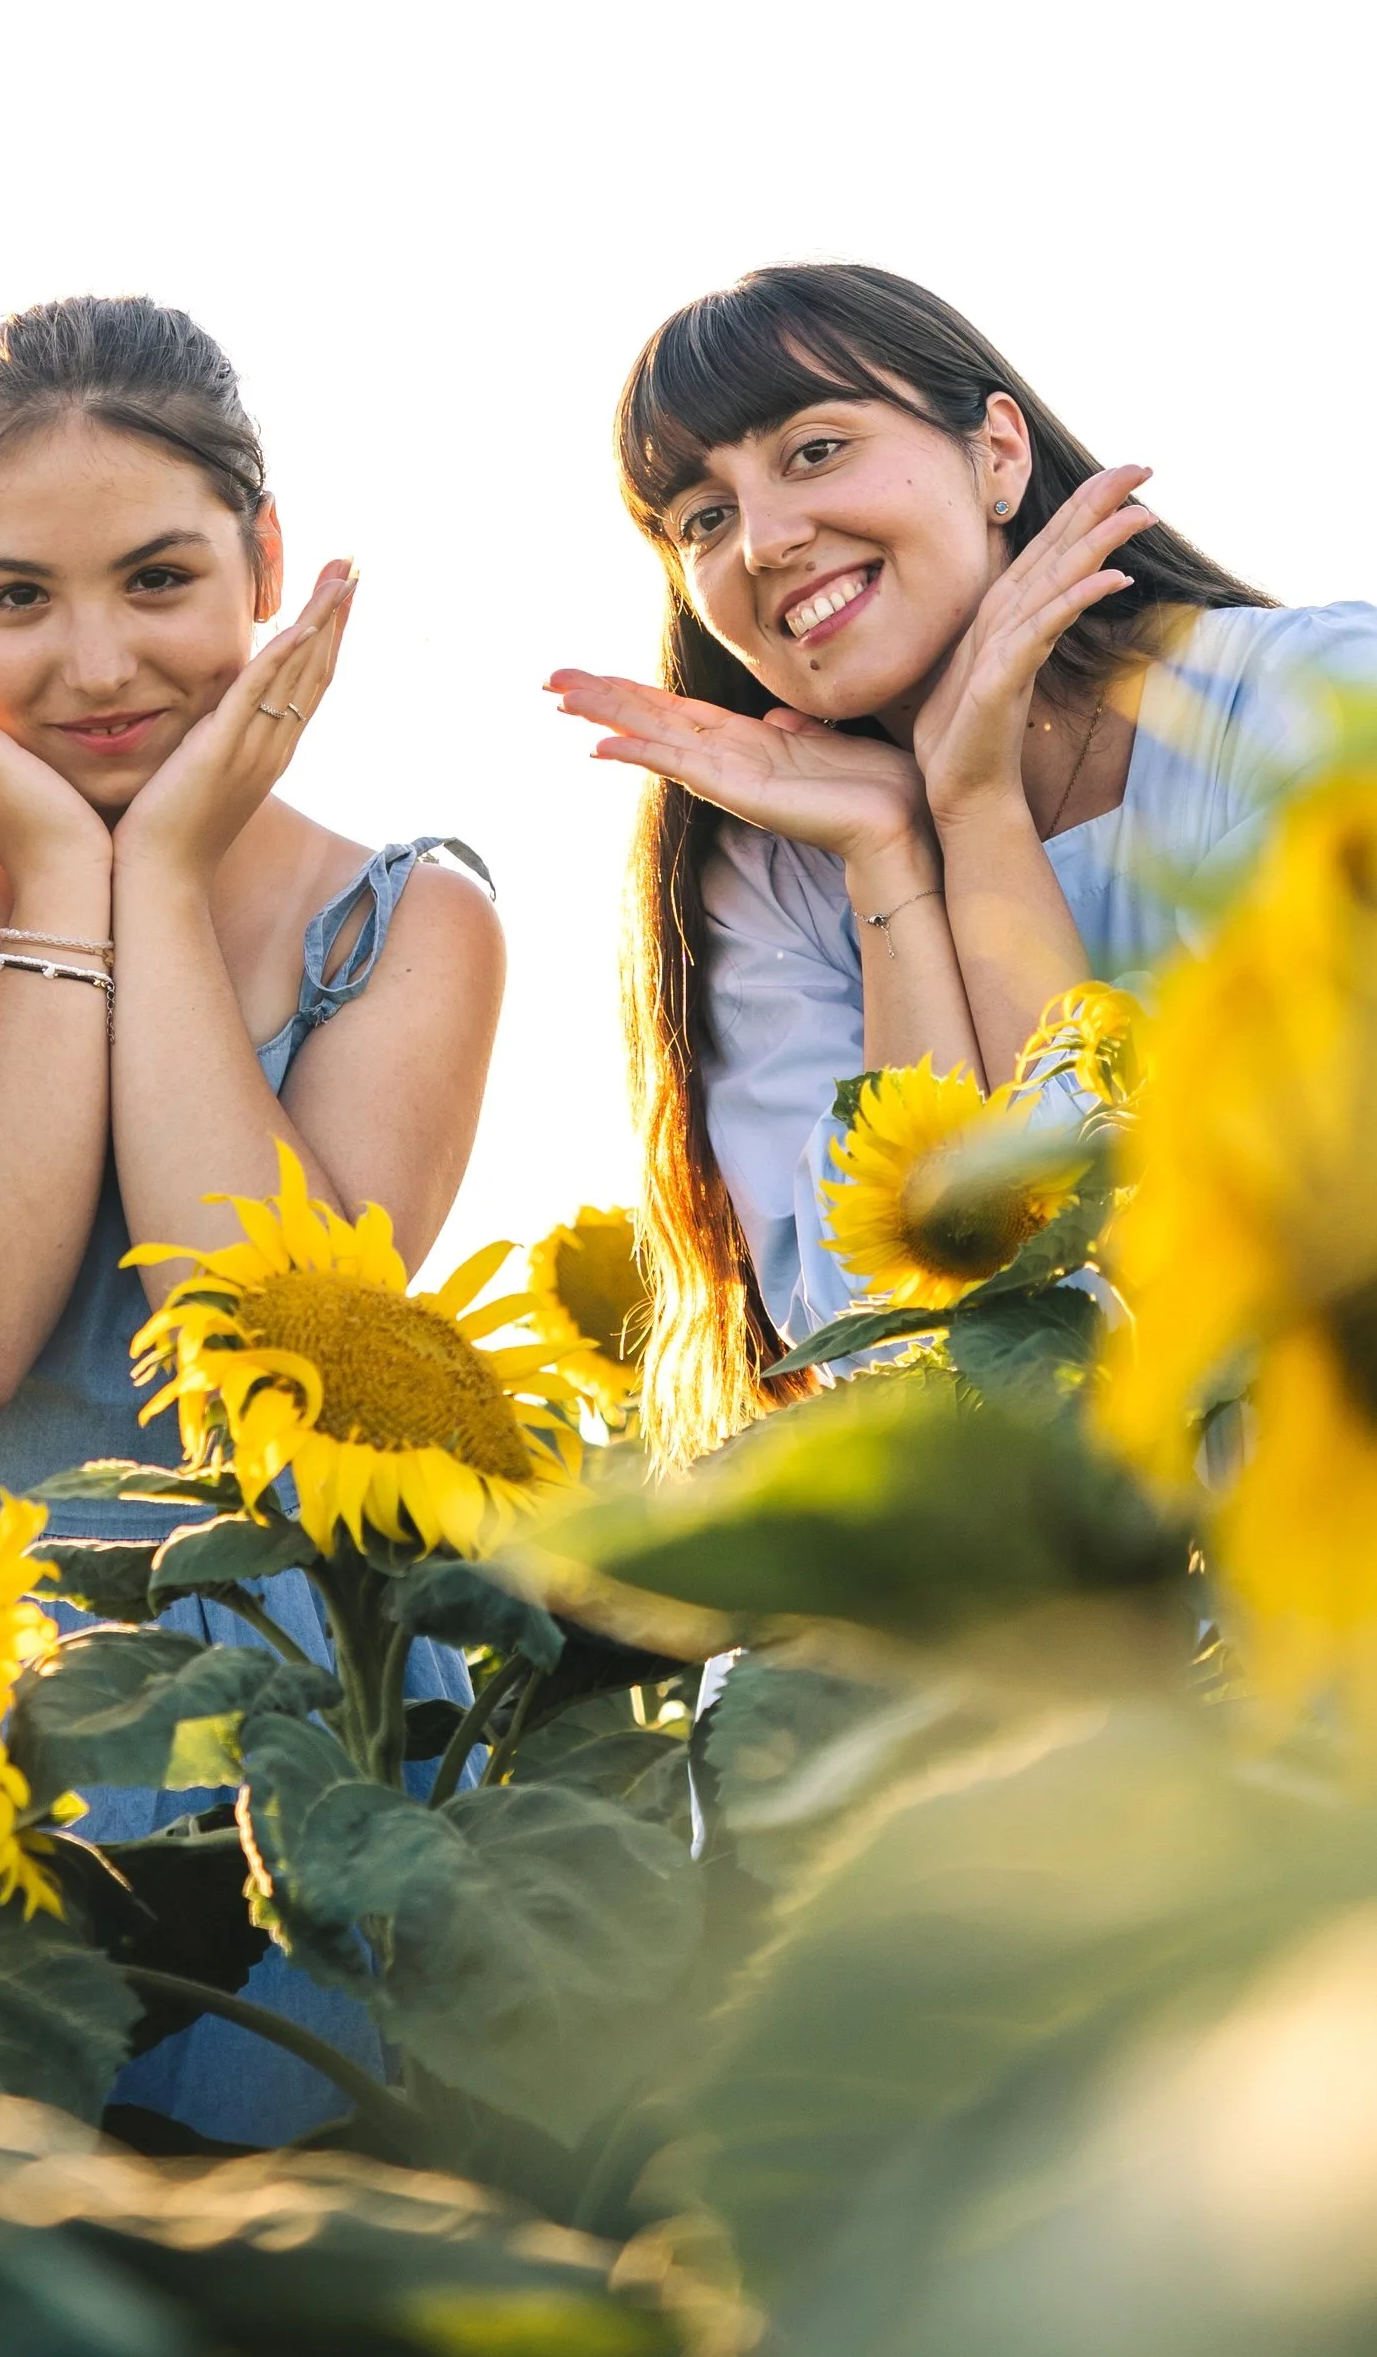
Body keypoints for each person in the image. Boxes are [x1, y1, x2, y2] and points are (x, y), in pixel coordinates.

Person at [0, 293, 505, 2136]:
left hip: (272, 1728)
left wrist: (150, 879)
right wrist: (76, 868)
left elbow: (276, 1333)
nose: (92, 665)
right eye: (17, 600)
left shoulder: (410, 926)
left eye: (158, 580)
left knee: (262, 2312)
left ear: (266, 565)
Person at [548, 262, 1377, 1467]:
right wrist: (893, 857)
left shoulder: (1310, 700)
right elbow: (894, 1337)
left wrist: (976, 809)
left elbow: (1163, 1228)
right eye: (701, 520)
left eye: (815, 449)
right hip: (1064, 1591)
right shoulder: (776, 874)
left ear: (995, 453)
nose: (766, 542)